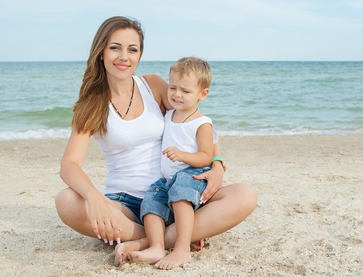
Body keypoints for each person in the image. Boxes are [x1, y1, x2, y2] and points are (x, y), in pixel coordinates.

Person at [54, 16, 257, 268]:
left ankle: (147, 242)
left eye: (132, 49)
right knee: (66, 201)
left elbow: (195, 122)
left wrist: (216, 164)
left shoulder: (152, 85)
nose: (123, 57)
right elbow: (69, 165)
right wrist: (94, 198)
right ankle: (175, 236)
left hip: (175, 193)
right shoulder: (91, 105)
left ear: (140, 54)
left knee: (245, 195)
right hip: (125, 205)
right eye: (115, 47)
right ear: (101, 51)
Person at [129, 57, 218, 270]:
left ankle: (182, 249)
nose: (177, 94)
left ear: (202, 94)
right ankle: (157, 246)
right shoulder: (169, 115)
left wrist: (183, 155)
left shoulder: (202, 123)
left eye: (185, 91)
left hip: (192, 174)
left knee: (180, 192)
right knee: (150, 202)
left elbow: (206, 156)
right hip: (168, 179)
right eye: (173, 87)